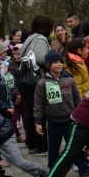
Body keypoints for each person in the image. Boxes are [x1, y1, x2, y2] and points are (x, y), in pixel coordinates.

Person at [33, 50, 89, 175]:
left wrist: (80, 116)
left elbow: (77, 99)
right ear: (48, 65)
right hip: (53, 121)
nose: (59, 65)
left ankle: (83, 168)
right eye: (55, 62)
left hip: (69, 119)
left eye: (60, 62)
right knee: (53, 147)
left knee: (75, 146)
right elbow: (38, 103)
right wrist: (38, 121)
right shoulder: (43, 83)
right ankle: (53, 170)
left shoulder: (69, 80)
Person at [18, 15, 54, 156]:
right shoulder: (40, 39)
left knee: (30, 113)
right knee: (40, 112)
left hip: (24, 80)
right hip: (35, 80)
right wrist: (51, 59)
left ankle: (31, 143)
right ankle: (42, 147)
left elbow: (22, 53)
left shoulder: (29, 38)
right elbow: (40, 58)